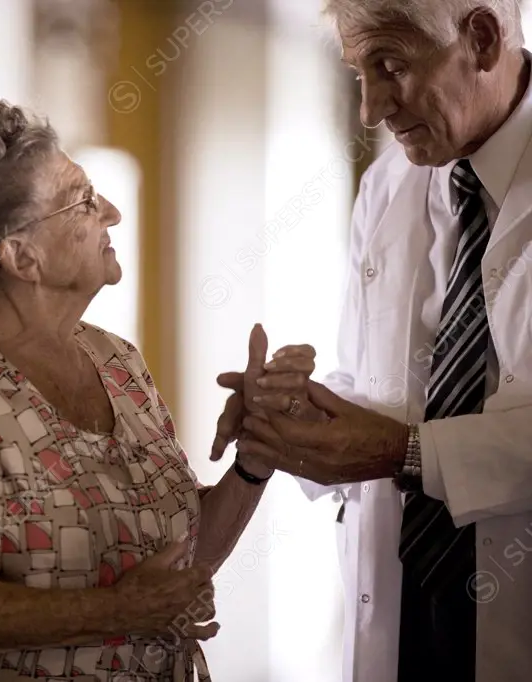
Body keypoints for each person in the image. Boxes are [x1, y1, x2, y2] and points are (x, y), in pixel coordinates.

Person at [0, 100, 315, 681]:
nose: (111, 212)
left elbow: (177, 560)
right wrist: (119, 610)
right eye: (81, 201)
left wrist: (256, 453)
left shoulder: (116, 360)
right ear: (21, 256)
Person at [216, 1, 532, 681]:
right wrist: (304, 412)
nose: (369, 109)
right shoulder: (389, 184)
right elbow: (382, 389)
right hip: (406, 596)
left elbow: (402, 439)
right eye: (359, 73)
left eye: (390, 67)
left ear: (480, 38)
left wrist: (406, 451)